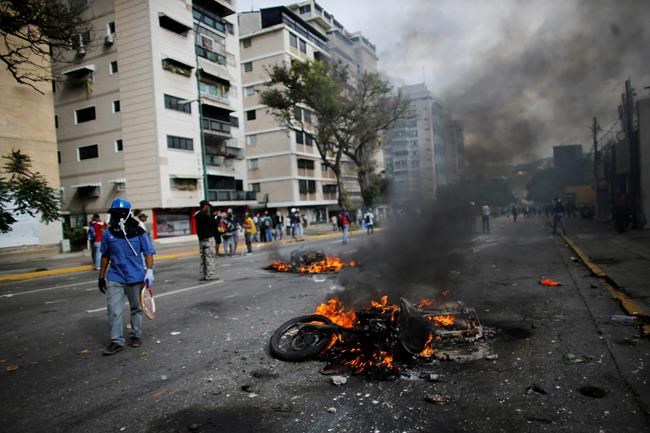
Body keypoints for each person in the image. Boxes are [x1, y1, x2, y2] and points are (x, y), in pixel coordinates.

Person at [98, 198, 156, 356]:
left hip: (135, 277)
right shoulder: (108, 234)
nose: (117, 216)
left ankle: (136, 335)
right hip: (115, 277)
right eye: (115, 214)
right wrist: (101, 276)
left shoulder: (139, 232)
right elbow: (105, 255)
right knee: (114, 310)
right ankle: (116, 341)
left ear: (128, 214)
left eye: (120, 214)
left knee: (136, 308)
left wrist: (149, 270)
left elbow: (148, 252)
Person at [195, 200, 218, 280]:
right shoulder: (206, 216)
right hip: (208, 239)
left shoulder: (197, 215)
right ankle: (210, 275)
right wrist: (215, 216)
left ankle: (202, 275)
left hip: (201, 239)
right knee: (210, 257)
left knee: (202, 258)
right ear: (205, 206)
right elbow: (214, 223)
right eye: (207, 206)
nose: (208, 207)